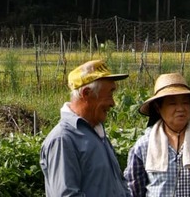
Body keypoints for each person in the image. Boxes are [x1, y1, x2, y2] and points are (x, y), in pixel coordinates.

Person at [124, 73, 190, 197]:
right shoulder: (144, 146)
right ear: (157, 108)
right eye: (172, 103)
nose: (180, 108)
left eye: (185, 103)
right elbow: (132, 192)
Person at [40, 58, 131, 197]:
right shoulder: (63, 140)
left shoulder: (96, 132)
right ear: (87, 93)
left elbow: (118, 182)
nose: (113, 103)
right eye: (109, 94)